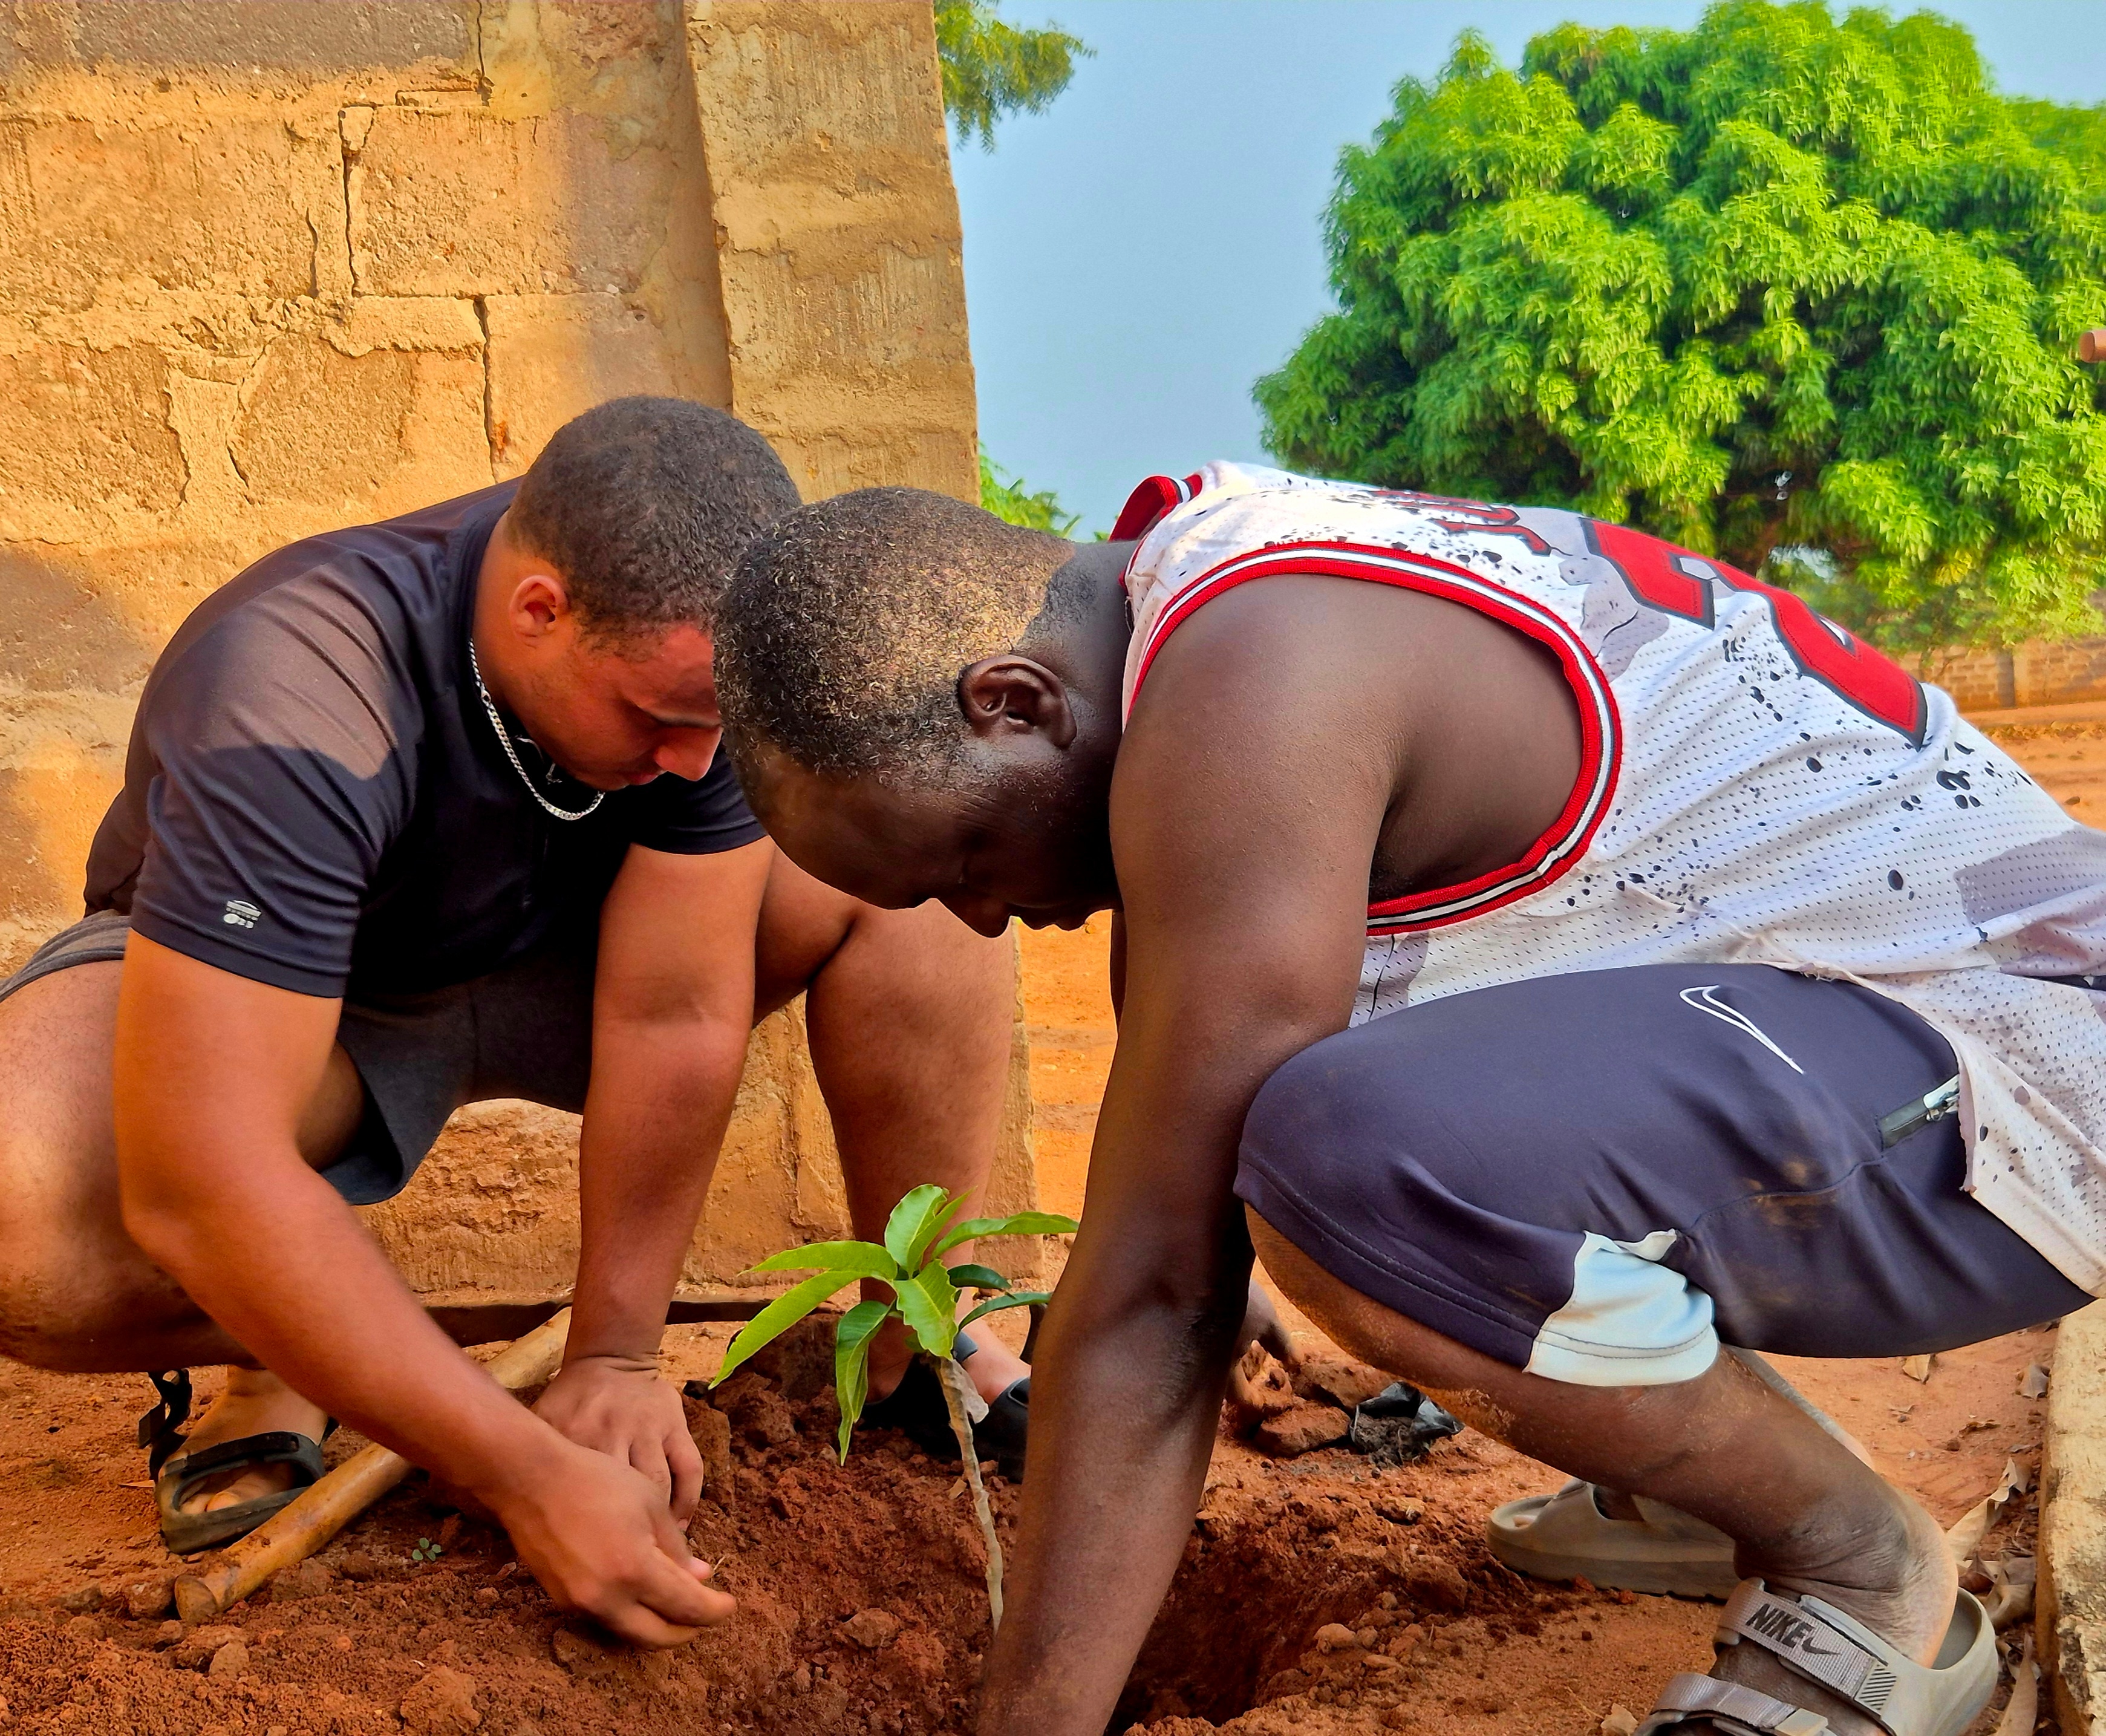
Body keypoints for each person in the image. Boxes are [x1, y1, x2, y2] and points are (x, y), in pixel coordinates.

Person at [708, 462, 2106, 1736]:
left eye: (961, 858)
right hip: (1869, 1057)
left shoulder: (1252, 682)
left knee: (1348, 1161)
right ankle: (1695, 1482)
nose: (977, 918)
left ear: (1014, 702)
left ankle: (1855, 1562)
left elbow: (1155, 1285)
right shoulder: (1210, 602)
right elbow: (1175, 1172)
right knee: (1322, 1147)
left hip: (2029, 1084)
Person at [0, 397, 1026, 1647]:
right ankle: (294, 1347)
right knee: (17, 1206)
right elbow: (201, 1178)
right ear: (538, 609)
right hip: (311, 997)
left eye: (715, 727)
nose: (694, 763)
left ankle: (925, 1338)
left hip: (570, 959)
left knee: (919, 870)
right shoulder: (292, 693)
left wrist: (614, 1358)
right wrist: (525, 1472)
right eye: (658, 721)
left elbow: (672, 1011)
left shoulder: (693, 664)